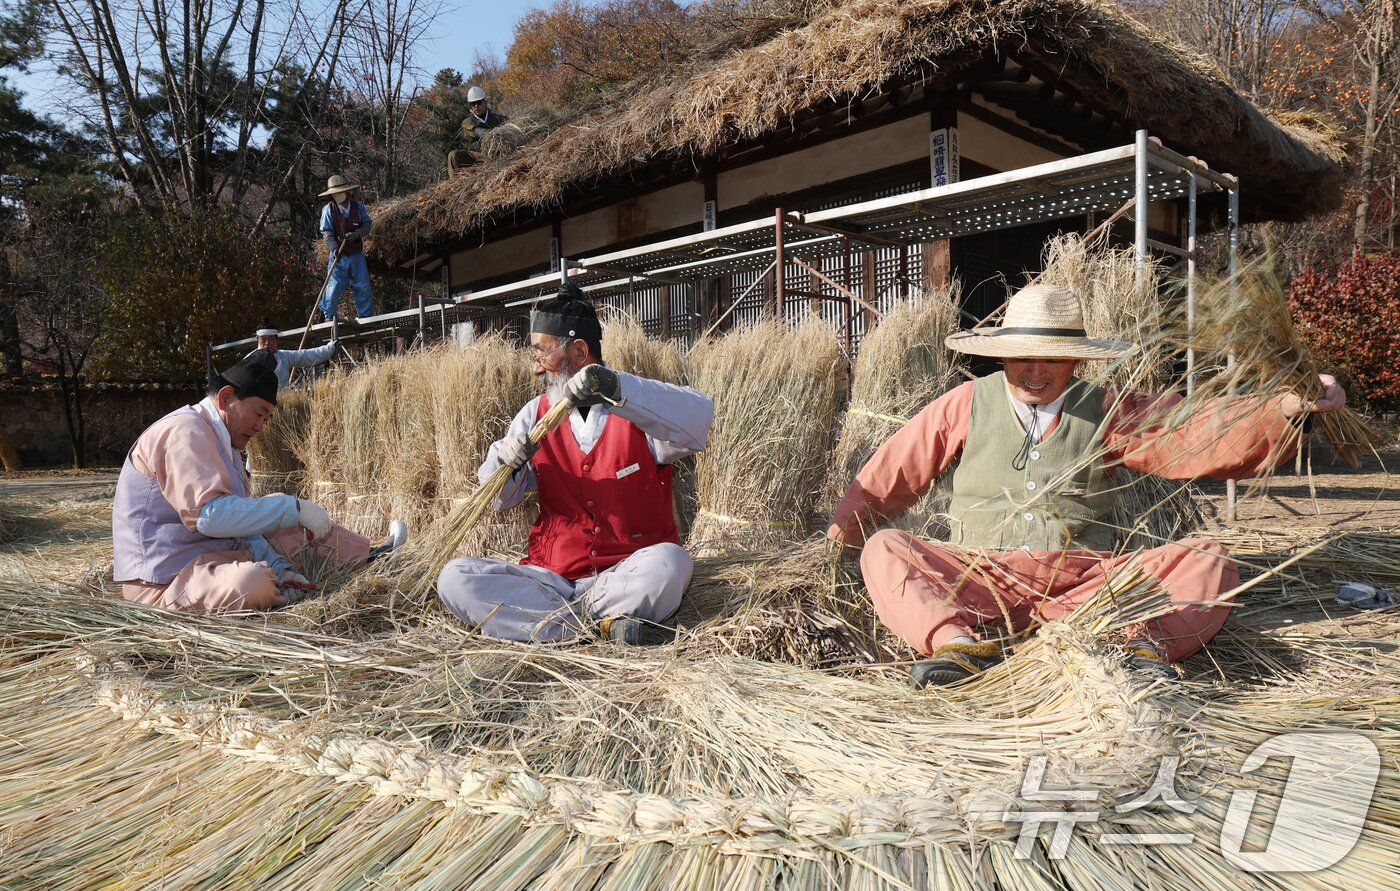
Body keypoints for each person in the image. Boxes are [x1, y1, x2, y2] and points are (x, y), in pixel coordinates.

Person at [827, 283, 1347, 688]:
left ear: (1076, 360)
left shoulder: (1106, 408)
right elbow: (895, 470)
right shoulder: (965, 403)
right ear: (1002, 355)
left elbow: (1190, 430)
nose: (1035, 372)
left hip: (1087, 587)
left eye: (1051, 358)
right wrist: (842, 537)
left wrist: (1285, 407)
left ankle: (1140, 648)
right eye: (1022, 358)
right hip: (976, 579)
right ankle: (957, 646)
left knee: (1208, 559)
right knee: (885, 549)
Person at [436, 285, 714, 644]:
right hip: (551, 579)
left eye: (542, 354)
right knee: (456, 578)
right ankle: (600, 626)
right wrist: (504, 464)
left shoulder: (637, 407)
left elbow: (700, 421)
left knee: (671, 565)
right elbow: (499, 499)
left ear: (579, 351)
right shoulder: (533, 415)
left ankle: (554, 627)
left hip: (624, 575)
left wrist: (615, 387)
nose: (536, 369)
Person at [113, 351, 406, 613]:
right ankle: (274, 588)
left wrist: (282, 567)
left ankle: (368, 559)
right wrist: (290, 509)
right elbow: (209, 517)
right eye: (258, 414)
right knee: (254, 581)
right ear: (226, 397)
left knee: (283, 521)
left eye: (266, 420)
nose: (260, 427)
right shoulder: (185, 431)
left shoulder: (223, 443)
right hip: (165, 581)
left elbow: (244, 529)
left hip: (213, 560)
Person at [317, 174, 374, 322]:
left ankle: (366, 316)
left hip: (356, 254)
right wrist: (334, 247)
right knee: (333, 286)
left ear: (346, 191)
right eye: (334, 194)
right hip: (339, 255)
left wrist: (356, 234)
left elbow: (367, 225)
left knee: (362, 285)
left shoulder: (358, 206)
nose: (337, 196)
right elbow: (327, 232)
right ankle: (328, 315)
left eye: (340, 192)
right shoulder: (328, 210)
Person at [246, 316, 340, 388]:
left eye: (270, 339)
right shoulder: (249, 359)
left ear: (277, 340)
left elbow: (308, 355)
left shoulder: (284, 356)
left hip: (281, 402)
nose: (267, 343)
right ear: (257, 340)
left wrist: (330, 348)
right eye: (263, 339)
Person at [447, 86, 508, 177]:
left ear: (485, 102)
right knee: (453, 155)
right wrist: (492, 133)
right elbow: (477, 131)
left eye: (479, 103)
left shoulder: (499, 118)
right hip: (477, 155)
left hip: (495, 153)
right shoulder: (467, 122)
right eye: (473, 104)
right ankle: (453, 186)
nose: (476, 106)